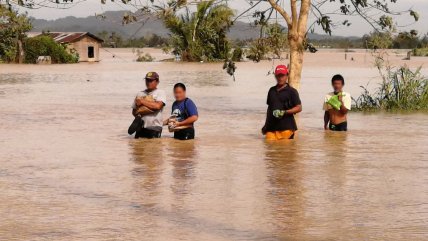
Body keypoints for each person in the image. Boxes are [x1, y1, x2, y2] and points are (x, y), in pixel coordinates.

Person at [262, 65, 302, 140]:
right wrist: (266, 125)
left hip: (286, 128)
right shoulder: (271, 90)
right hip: (271, 128)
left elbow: (299, 108)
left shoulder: (292, 91)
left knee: (284, 150)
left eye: (282, 75)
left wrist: (284, 112)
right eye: (278, 76)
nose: (280, 78)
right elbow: (270, 109)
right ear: (275, 76)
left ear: (287, 75)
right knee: (269, 149)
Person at [131, 71, 167, 138]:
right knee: (137, 146)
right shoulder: (140, 93)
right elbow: (133, 112)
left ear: (157, 82)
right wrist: (139, 113)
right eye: (147, 80)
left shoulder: (160, 92)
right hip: (140, 127)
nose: (148, 82)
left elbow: (158, 106)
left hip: (155, 127)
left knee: (153, 147)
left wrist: (142, 102)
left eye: (151, 80)